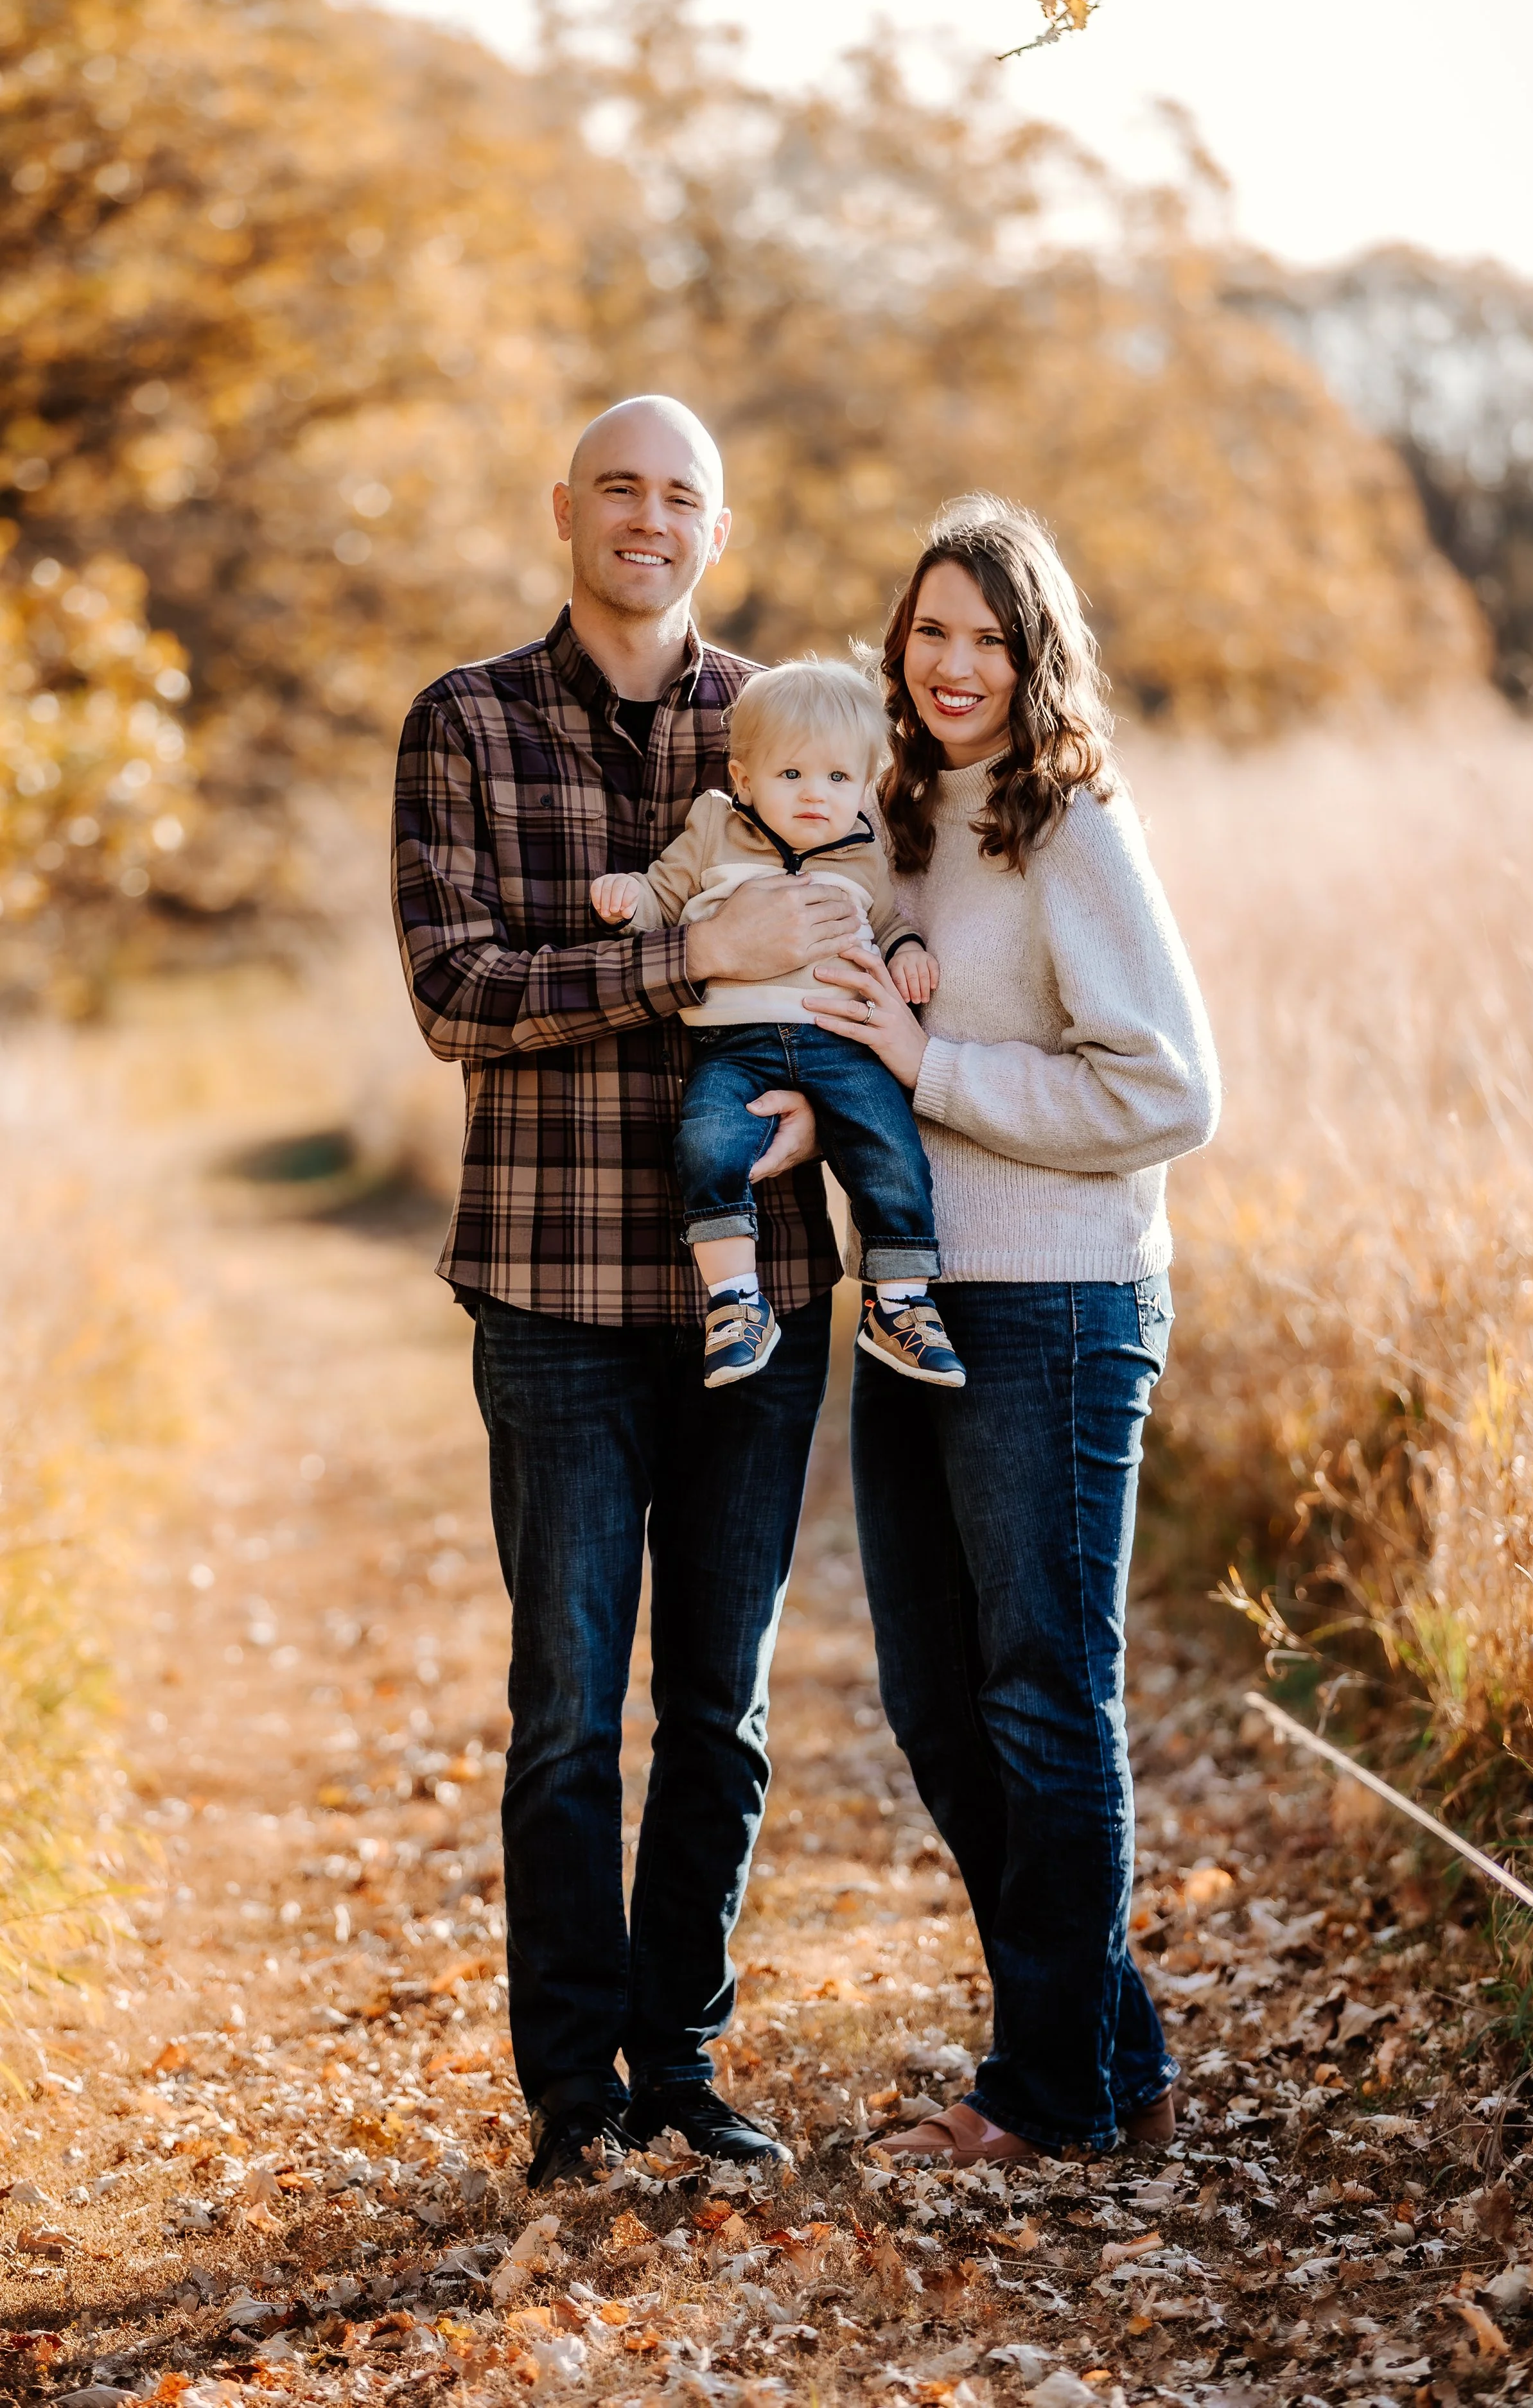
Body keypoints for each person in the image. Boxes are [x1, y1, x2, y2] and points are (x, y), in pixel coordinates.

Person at [391, 395, 850, 2186]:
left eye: (681, 498)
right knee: (569, 1705)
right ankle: (572, 2091)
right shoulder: (466, 723)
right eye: (618, 491)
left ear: (713, 529)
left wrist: (838, 1081)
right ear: (563, 512)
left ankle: (685, 2061)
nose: (648, 521)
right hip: (553, 1294)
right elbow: (455, 992)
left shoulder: (789, 722)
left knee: (720, 1706)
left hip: (763, 1299)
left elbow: (867, 946)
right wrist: (682, 959)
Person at [805, 497, 1221, 2165]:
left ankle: (1044, 2091)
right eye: (929, 631)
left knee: (1042, 1692)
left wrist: (933, 1073)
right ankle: (1105, 2039)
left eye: (987, 635)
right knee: (930, 1693)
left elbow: (1168, 1088)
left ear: (1034, 653)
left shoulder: (1068, 821)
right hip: (914, 1295)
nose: (954, 662)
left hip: (1054, 1299)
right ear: (897, 646)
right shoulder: (898, 812)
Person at [590, 658, 965, 1390]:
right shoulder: (713, 828)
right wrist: (625, 898)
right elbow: (663, 897)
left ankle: (899, 1305)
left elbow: (888, 922)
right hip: (733, 1046)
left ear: (863, 788)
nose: (815, 796)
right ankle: (734, 1301)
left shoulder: (863, 851)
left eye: (836, 779)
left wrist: (910, 951)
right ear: (745, 777)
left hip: (839, 1043)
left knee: (887, 1144)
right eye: (790, 775)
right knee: (707, 1143)